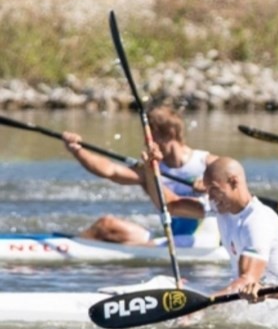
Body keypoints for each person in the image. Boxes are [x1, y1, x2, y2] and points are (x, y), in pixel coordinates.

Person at [62, 105, 219, 247]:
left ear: (170, 133)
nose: (145, 142)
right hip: (171, 238)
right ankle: (69, 247)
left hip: (203, 241)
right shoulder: (150, 168)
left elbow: (235, 191)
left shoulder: (208, 163)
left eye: (150, 135)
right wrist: (78, 151)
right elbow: (110, 171)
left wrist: (212, 186)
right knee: (106, 225)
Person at [203, 157, 278, 298]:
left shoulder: (258, 221)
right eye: (207, 191)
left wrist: (206, 303)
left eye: (213, 189)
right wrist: (155, 171)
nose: (210, 197)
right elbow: (171, 205)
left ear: (234, 181)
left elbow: (248, 279)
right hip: (244, 298)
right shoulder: (221, 209)